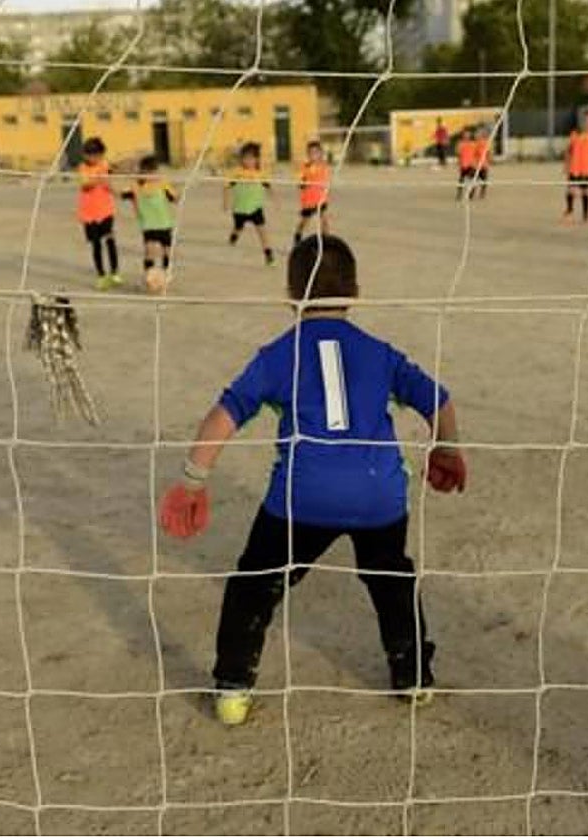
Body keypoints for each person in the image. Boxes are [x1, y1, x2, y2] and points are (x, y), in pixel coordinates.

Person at [159, 235, 467, 727]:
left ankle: (233, 688)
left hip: (303, 500)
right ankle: (413, 678)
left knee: (253, 584)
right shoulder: (378, 352)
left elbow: (223, 415)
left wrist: (192, 482)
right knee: (392, 577)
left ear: (290, 293)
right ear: (356, 291)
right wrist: (446, 448)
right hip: (379, 496)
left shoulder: (279, 355)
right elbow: (439, 399)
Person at [76, 137, 122, 290]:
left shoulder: (104, 164)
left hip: (106, 210)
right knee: (96, 245)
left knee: (110, 240)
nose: (93, 158)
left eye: (98, 155)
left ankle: (114, 273)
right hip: (89, 214)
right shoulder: (83, 168)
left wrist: (114, 184)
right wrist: (99, 177)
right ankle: (101, 275)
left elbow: (113, 174)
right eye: (90, 155)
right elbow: (85, 184)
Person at [122, 155, 178, 276]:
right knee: (149, 251)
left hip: (164, 224)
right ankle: (149, 275)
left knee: (167, 251)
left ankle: (166, 274)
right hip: (148, 225)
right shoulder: (136, 186)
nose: (152, 174)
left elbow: (174, 198)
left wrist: (175, 195)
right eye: (148, 171)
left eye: (154, 171)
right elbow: (121, 194)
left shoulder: (162, 184)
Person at [225, 142, 275, 266]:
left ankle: (268, 254)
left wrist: (274, 200)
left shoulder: (261, 174)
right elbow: (226, 187)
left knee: (262, 231)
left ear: (256, 159)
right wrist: (225, 202)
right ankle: (234, 235)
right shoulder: (237, 173)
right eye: (245, 158)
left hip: (256, 208)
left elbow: (268, 186)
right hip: (240, 209)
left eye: (251, 158)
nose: (248, 161)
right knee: (238, 228)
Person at [563, 115, 588, 223]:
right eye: (585, 121)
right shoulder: (574, 135)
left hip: (586, 169)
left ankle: (585, 215)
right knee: (570, 190)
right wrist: (566, 165)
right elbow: (568, 151)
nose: (587, 123)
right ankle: (569, 211)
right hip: (574, 168)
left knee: (585, 192)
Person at [293, 140, 330, 245]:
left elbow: (325, 180)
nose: (313, 155)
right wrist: (302, 182)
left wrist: (326, 191)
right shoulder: (305, 167)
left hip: (320, 199)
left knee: (324, 220)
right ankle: (297, 236)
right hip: (309, 200)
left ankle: (326, 240)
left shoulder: (323, 166)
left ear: (320, 154)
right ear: (308, 155)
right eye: (311, 153)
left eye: (316, 152)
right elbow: (300, 183)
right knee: (304, 221)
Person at [455, 127, 477, 201]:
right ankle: (459, 193)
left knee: (472, 178)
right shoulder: (460, 144)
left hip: (472, 164)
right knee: (461, 179)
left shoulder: (473, 143)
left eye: (468, 134)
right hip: (464, 164)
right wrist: (459, 162)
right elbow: (458, 154)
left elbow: (477, 153)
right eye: (465, 134)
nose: (466, 135)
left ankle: (471, 194)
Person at [474, 126, 493, 200]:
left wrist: (489, 160)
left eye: (478, 134)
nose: (477, 135)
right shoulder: (475, 143)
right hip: (476, 164)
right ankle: (474, 191)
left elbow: (488, 153)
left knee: (484, 179)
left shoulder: (486, 143)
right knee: (475, 178)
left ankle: (482, 192)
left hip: (483, 164)